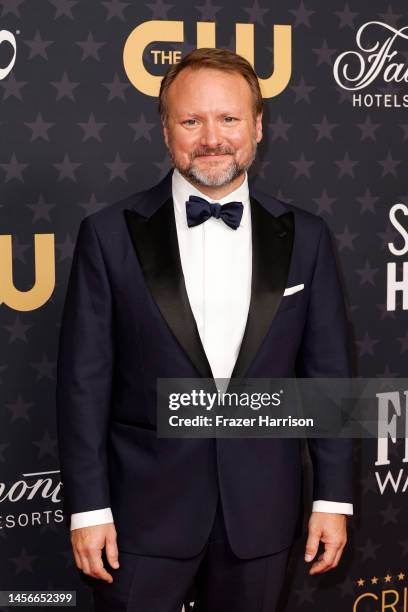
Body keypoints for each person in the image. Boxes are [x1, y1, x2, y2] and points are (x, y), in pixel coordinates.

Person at [56, 48, 354, 611]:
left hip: (263, 513)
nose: (211, 138)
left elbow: (328, 376)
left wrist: (333, 498)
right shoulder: (108, 235)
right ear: (166, 129)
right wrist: (89, 508)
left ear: (258, 127)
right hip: (139, 518)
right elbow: (82, 384)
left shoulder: (308, 236)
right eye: (191, 120)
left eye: (229, 119)